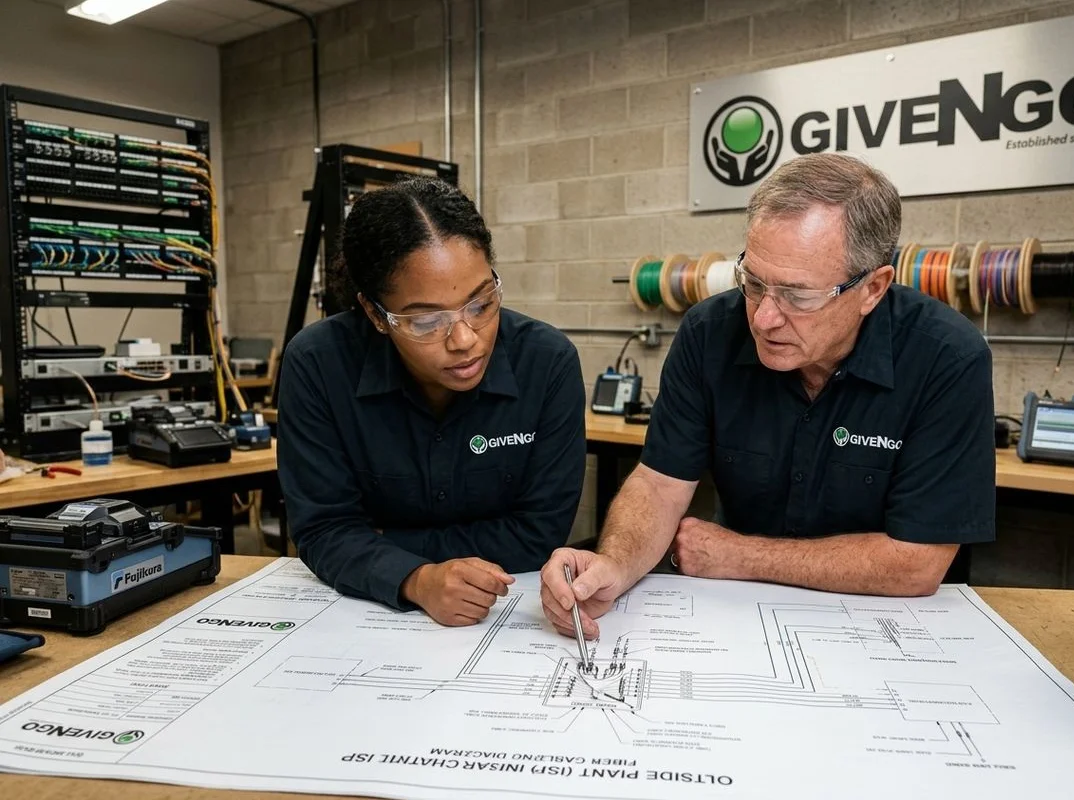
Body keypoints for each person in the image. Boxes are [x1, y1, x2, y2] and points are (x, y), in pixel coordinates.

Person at [541, 153, 995, 640]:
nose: (764, 319)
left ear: (873, 288)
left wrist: (740, 555)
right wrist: (615, 563)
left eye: (798, 296)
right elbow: (659, 485)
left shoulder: (947, 358)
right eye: (754, 283)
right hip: (737, 614)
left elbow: (917, 562)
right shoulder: (708, 333)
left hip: (881, 624)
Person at [278, 176, 586, 627]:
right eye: (425, 321)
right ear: (375, 314)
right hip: (365, 617)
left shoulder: (547, 362)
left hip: (507, 611)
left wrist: (382, 543)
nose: (464, 340)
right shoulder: (318, 365)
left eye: (481, 305)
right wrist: (416, 580)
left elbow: (538, 533)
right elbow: (323, 530)